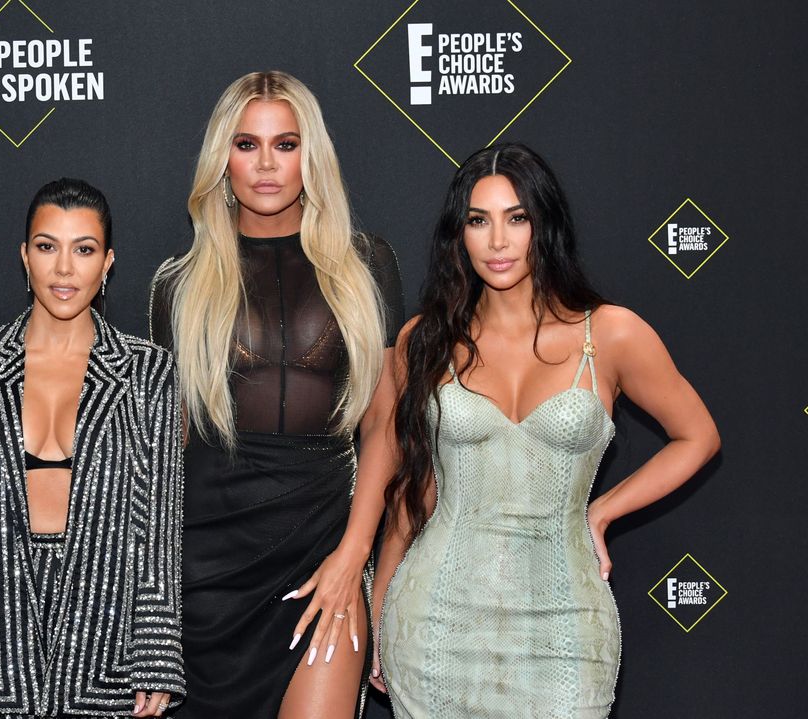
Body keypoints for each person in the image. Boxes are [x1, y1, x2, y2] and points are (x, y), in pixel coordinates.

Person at [373, 143, 721, 718]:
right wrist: (382, 606)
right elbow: (413, 496)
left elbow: (698, 436)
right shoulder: (424, 340)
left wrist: (600, 512)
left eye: (517, 218)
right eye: (478, 221)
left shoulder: (610, 334)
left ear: (545, 224)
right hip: (435, 620)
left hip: (567, 628)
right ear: (458, 235)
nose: (498, 241)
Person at [149, 71, 403, 718]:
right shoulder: (178, 285)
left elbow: (383, 424)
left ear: (311, 155)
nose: (266, 164)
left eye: (285, 144)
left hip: (323, 552)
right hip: (207, 571)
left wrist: (354, 555)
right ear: (221, 159)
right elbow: (167, 454)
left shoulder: (367, 265)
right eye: (246, 144)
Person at [0, 178, 185, 718]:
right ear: (25, 256)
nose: (64, 269)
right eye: (47, 247)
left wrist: (157, 650)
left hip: (107, 635)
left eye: (83, 250)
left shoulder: (149, 372)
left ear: (107, 262)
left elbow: (159, 524)